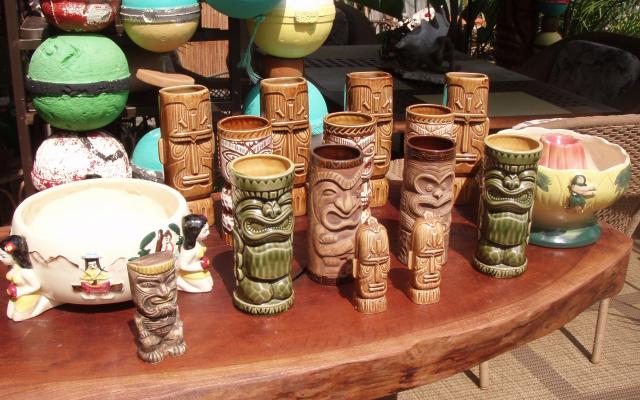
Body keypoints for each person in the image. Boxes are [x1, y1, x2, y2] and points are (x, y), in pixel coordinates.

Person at [0, 235, 57, 321]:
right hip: (15, 295)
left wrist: (20, 292)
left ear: (15, 257)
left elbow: (36, 285)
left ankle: (45, 303)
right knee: (9, 315)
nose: (0, 258)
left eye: (3, 256)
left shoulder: (25, 272)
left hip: (28, 294)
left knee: (17, 318)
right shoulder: (11, 267)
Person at [175, 215, 213, 292]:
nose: (208, 232)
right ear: (194, 233)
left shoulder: (199, 242)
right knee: (207, 288)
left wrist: (202, 261)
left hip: (199, 270)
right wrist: (200, 266)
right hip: (189, 272)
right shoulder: (190, 250)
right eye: (205, 231)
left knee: (210, 283)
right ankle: (179, 283)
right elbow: (182, 265)